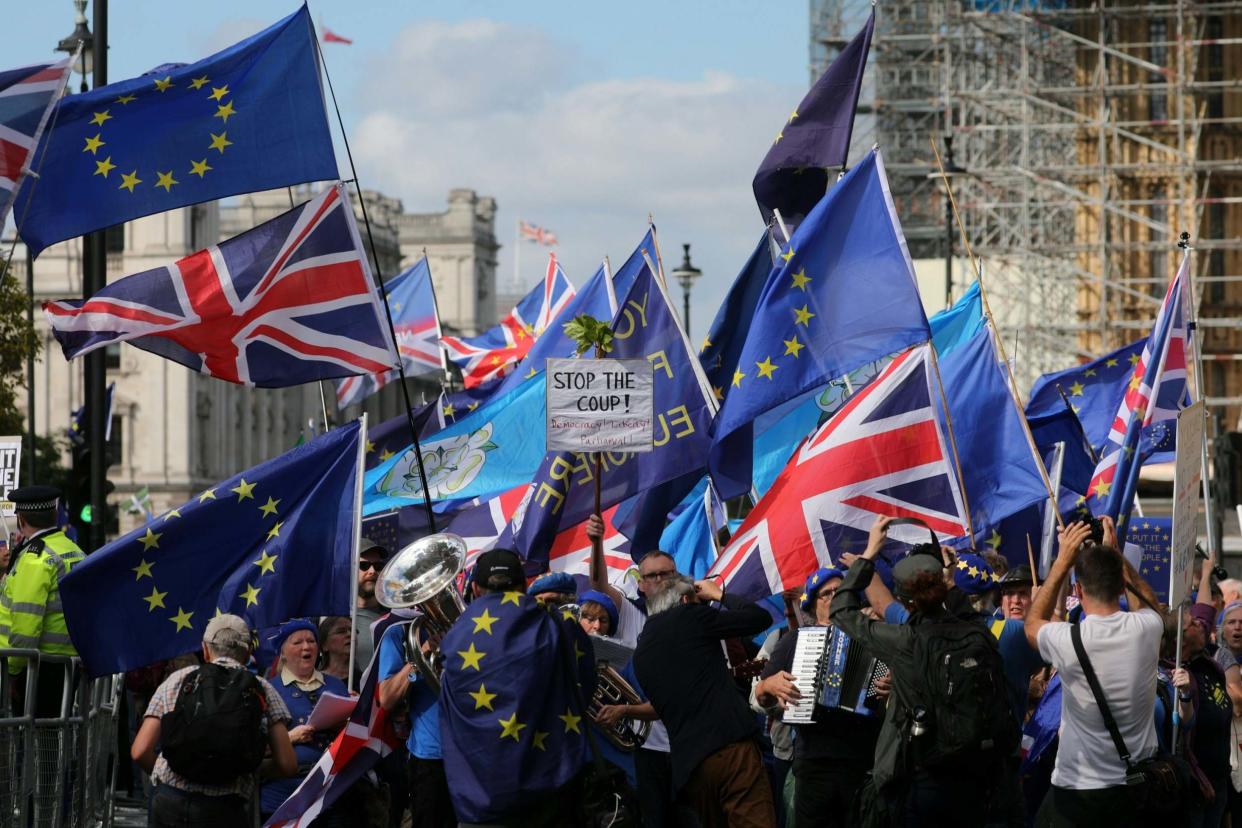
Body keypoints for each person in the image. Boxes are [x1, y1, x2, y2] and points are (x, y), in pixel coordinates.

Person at [830, 518, 1019, 826]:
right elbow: (963, 609)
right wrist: (949, 575)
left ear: (904, 599)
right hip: (981, 775)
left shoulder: (905, 640)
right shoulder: (976, 630)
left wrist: (869, 554)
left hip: (925, 775)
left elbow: (840, 611)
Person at [438, 548, 595, 826]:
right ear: (524, 585)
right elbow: (585, 686)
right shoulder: (558, 624)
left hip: (480, 798)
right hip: (552, 790)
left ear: (474, 588)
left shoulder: (453, 638)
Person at [1023, 517, 1164, 826]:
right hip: (1132, 791)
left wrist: (1062, 561)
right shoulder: (1147, 629)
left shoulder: (1068, 639)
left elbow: (1032, 625)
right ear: (1120, 584)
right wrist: (1116, 555)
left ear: (1078, 589)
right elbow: (1149, 605)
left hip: (1076, 793)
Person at [633, 574, 776, 827]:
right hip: (731, 749)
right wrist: (718, 595)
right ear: (686, 599)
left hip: (690, 768)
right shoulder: (690, 616)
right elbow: (760, 618)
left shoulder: (641, 651)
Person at [131, 614, 297, 827]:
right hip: (225, 807)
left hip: (170, 800)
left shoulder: (178, 680)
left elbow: (139, 751)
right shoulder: (263, 689)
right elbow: (288, 764)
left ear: (206, 649)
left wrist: (173, 773)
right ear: (247, 653)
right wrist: (252, 770)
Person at [754, 567, 883, 828]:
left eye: (841, 591)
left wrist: (889, 689)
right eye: (828, 593)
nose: (836, 596)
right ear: (812, 604)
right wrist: (769, 685)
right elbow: (758, 699)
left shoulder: (873, 635)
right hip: (815, 763)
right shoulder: (793, 641)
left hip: (864, 763)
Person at [585, 514, 683, 827]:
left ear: (677, 576)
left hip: (689, 743)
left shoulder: (696, 616)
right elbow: (599, 584)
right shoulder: (633, 614)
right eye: (652, 576)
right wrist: (597, 543)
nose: (660, 581)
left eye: (667, 574)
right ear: (640, 584)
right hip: (650, 748)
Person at [0, 485, 85, 717]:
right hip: (68, 664)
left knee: (30, 746)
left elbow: (26, 623)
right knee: (55, 744)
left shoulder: (35, 559)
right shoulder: (74, 549)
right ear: (55, 515)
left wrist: (14, 671)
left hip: (38, 669)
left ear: (21, 518)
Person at [260, 619, 351, 823]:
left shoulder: (336, 686)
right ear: (283, 652)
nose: (306, 646)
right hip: (284, 794)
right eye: (297, 642)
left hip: (330, 792)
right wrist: (290, 737)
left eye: (311, 640)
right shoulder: (267, 689)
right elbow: (254, 747)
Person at [378, 607, 456, 828]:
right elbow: (387, 697)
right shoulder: (399, 633)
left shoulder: (470, 622)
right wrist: (420, 658)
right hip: (431, 757)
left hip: (475, 750)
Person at [354, 539, 389, 675]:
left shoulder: (396, 616)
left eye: (378, 566)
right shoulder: (332, 615)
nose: (372, 571)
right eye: (364, 565)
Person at [317, 616, 353, 682]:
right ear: (324, 645)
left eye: (353, 631)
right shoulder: (314, 681)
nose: (349, 634)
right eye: (341, 631)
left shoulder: (365, 681)